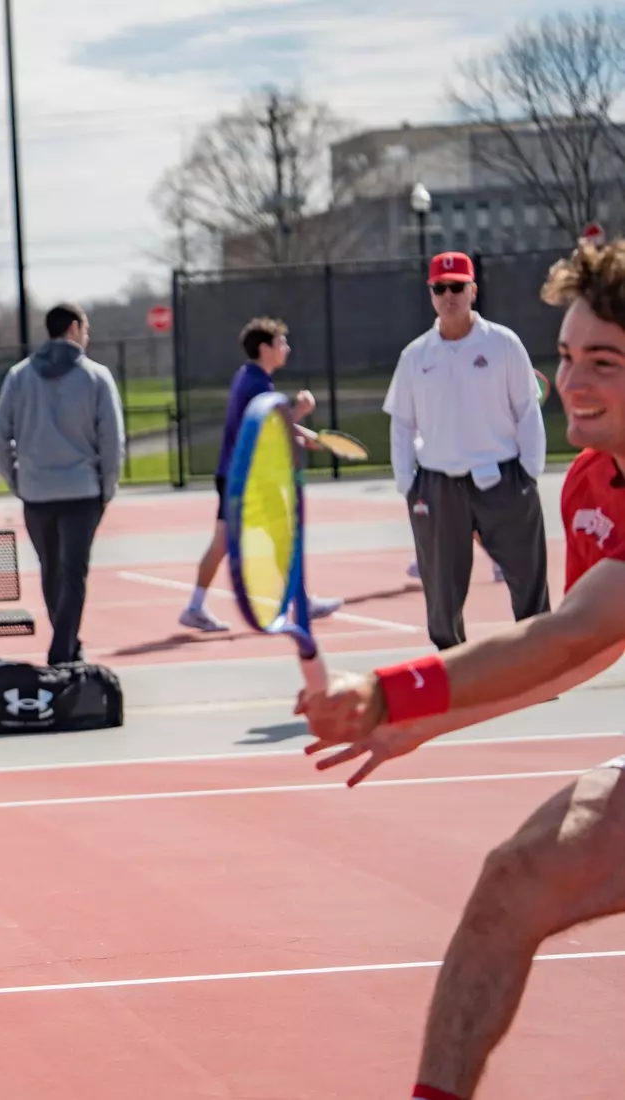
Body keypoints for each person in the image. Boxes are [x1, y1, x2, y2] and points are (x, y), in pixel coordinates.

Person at [295, 240, 625, 1100]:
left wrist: (386, 690)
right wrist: (430, 719)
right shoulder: (592, 484)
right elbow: (579, 653)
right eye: (567, 357)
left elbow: (562, 636)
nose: (574, 383)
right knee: (513, 883)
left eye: (607, 362)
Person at [385, 251, 549, 651]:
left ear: (473, 290)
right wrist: (408, 482)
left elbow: (527, 409)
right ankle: (450, 668)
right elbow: (402, 423)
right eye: (440, 288)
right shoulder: (415, 356)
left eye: (457, 286)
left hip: (504, 478)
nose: (449, 295)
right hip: (437, 486)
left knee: (528, 579)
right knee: (442, 589)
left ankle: (538, 665)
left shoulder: (503, 344)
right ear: (431, 294)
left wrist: (529, 471)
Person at [179, 317, 343, 632]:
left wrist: (304, 435)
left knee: (228, 542)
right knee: (281, 535)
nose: (287, 348)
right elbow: (263, 431)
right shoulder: (255, 383)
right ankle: (301, 603)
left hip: (238, 476)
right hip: (246, 478)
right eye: (281, 342)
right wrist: (300, 412)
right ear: (265, 348)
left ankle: (196, 606)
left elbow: (274, 425)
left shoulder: (251, 378)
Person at [0, 304, 124, 665]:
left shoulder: (19, 377)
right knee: (74, 574)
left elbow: (0, 438)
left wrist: (18, 481)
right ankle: (64, 651)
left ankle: (67, 644)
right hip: (82, 491)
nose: (87, 335)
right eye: (86, 327)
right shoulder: (96, 377)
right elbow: (112, 441)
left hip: (36, 491)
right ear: (73, 327)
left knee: (51, 570)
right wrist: (106, 488)